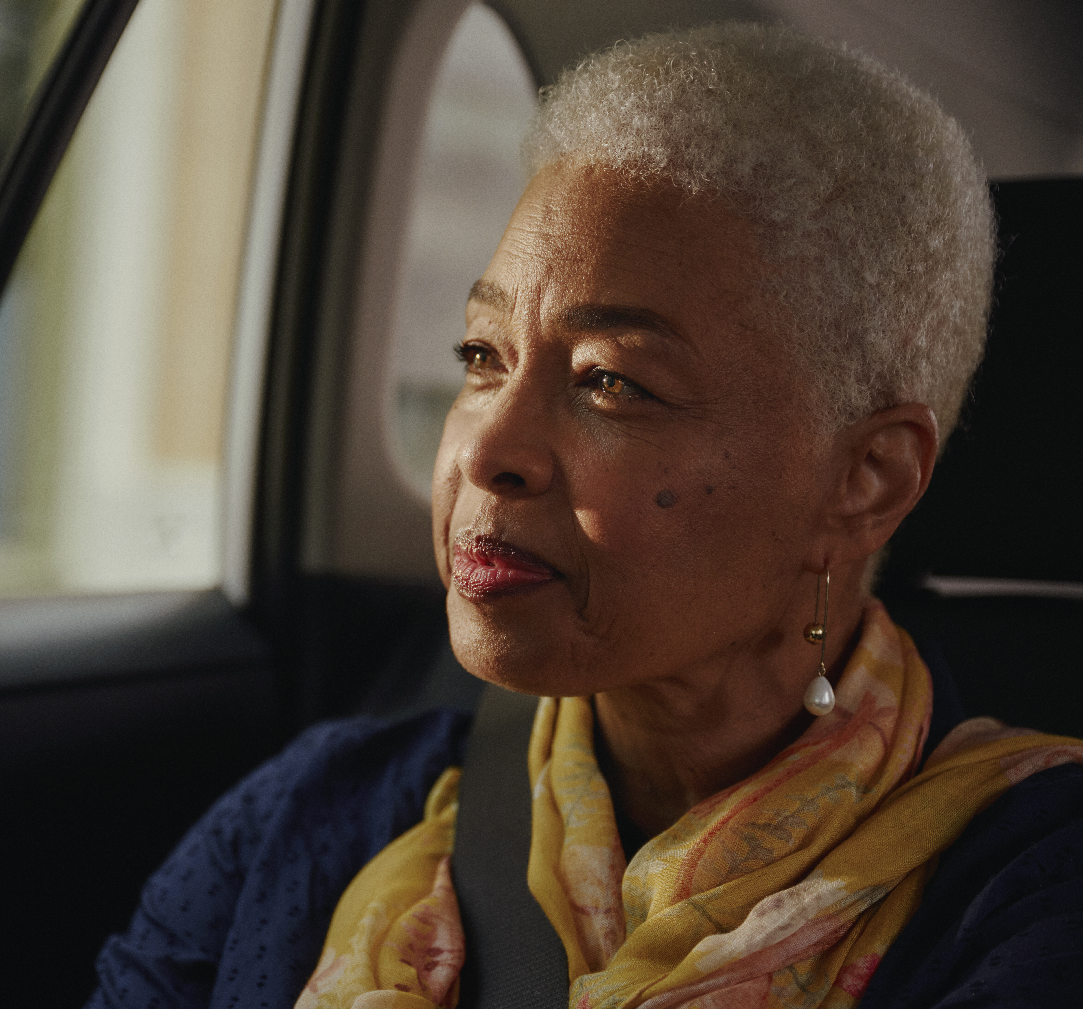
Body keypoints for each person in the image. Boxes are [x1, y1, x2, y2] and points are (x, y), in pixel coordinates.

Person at [85, 23, 1083, 1009]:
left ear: (863, 476)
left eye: (610, 381)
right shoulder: (311, 816)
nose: (483, 449)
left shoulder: (1031, 893)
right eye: (482, 356)